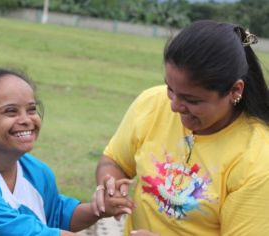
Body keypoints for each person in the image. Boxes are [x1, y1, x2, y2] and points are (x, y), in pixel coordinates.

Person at [93, 20, 269, 236]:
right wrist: (108, 185)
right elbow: (114, 161)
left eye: (191, 100)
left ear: (235, 90)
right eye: (170, 89)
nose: (174, 106)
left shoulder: (258, 160)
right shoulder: (152, 103)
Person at [0, 68, 134, 235]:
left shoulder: (35, 171)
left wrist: (100, 207)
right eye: (11, 111)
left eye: (31, 109)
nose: (26, 120)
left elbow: (56, 214)